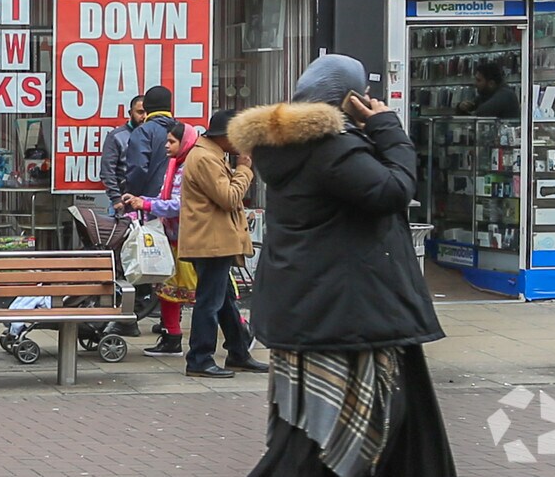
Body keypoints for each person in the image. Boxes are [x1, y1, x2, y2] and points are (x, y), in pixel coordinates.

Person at [231, 54, 455, 477]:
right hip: (346, 314)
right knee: (334, 435)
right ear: (349, 99)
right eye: (365, 94)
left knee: (322, 429)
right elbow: (393, 190)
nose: (372, 100)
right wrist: (389, 129)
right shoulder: (332, 147)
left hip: (322, 308)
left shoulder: (290, 147)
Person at [176, 109, 267, 378]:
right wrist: (244, 171)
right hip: (211, 242)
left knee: (224, 299)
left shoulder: (211, 154)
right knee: (210, 302)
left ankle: (238, 352)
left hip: (215, 241)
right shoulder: (205, 157)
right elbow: (228, 197)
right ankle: (199, 359)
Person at [122, 119, 192, 356]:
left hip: (192, 242)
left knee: (210, 295)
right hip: (172, 238)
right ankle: (172, 337)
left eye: (172, 141)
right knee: (167, 291)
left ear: (185, 143)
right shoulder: (174, 165)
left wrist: (147, 203)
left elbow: (179, 205)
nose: (166, 145)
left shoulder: (190, 167)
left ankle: (240, 332)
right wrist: (139, 204)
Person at [100, 94, 147, 208]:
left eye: (147, 112)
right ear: (130, 113)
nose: (144, 116)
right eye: (140, 112)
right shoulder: (116, 136)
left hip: (148, 201)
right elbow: (107, 171)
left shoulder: (154, 136)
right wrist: (116, 199)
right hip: (123, 200)